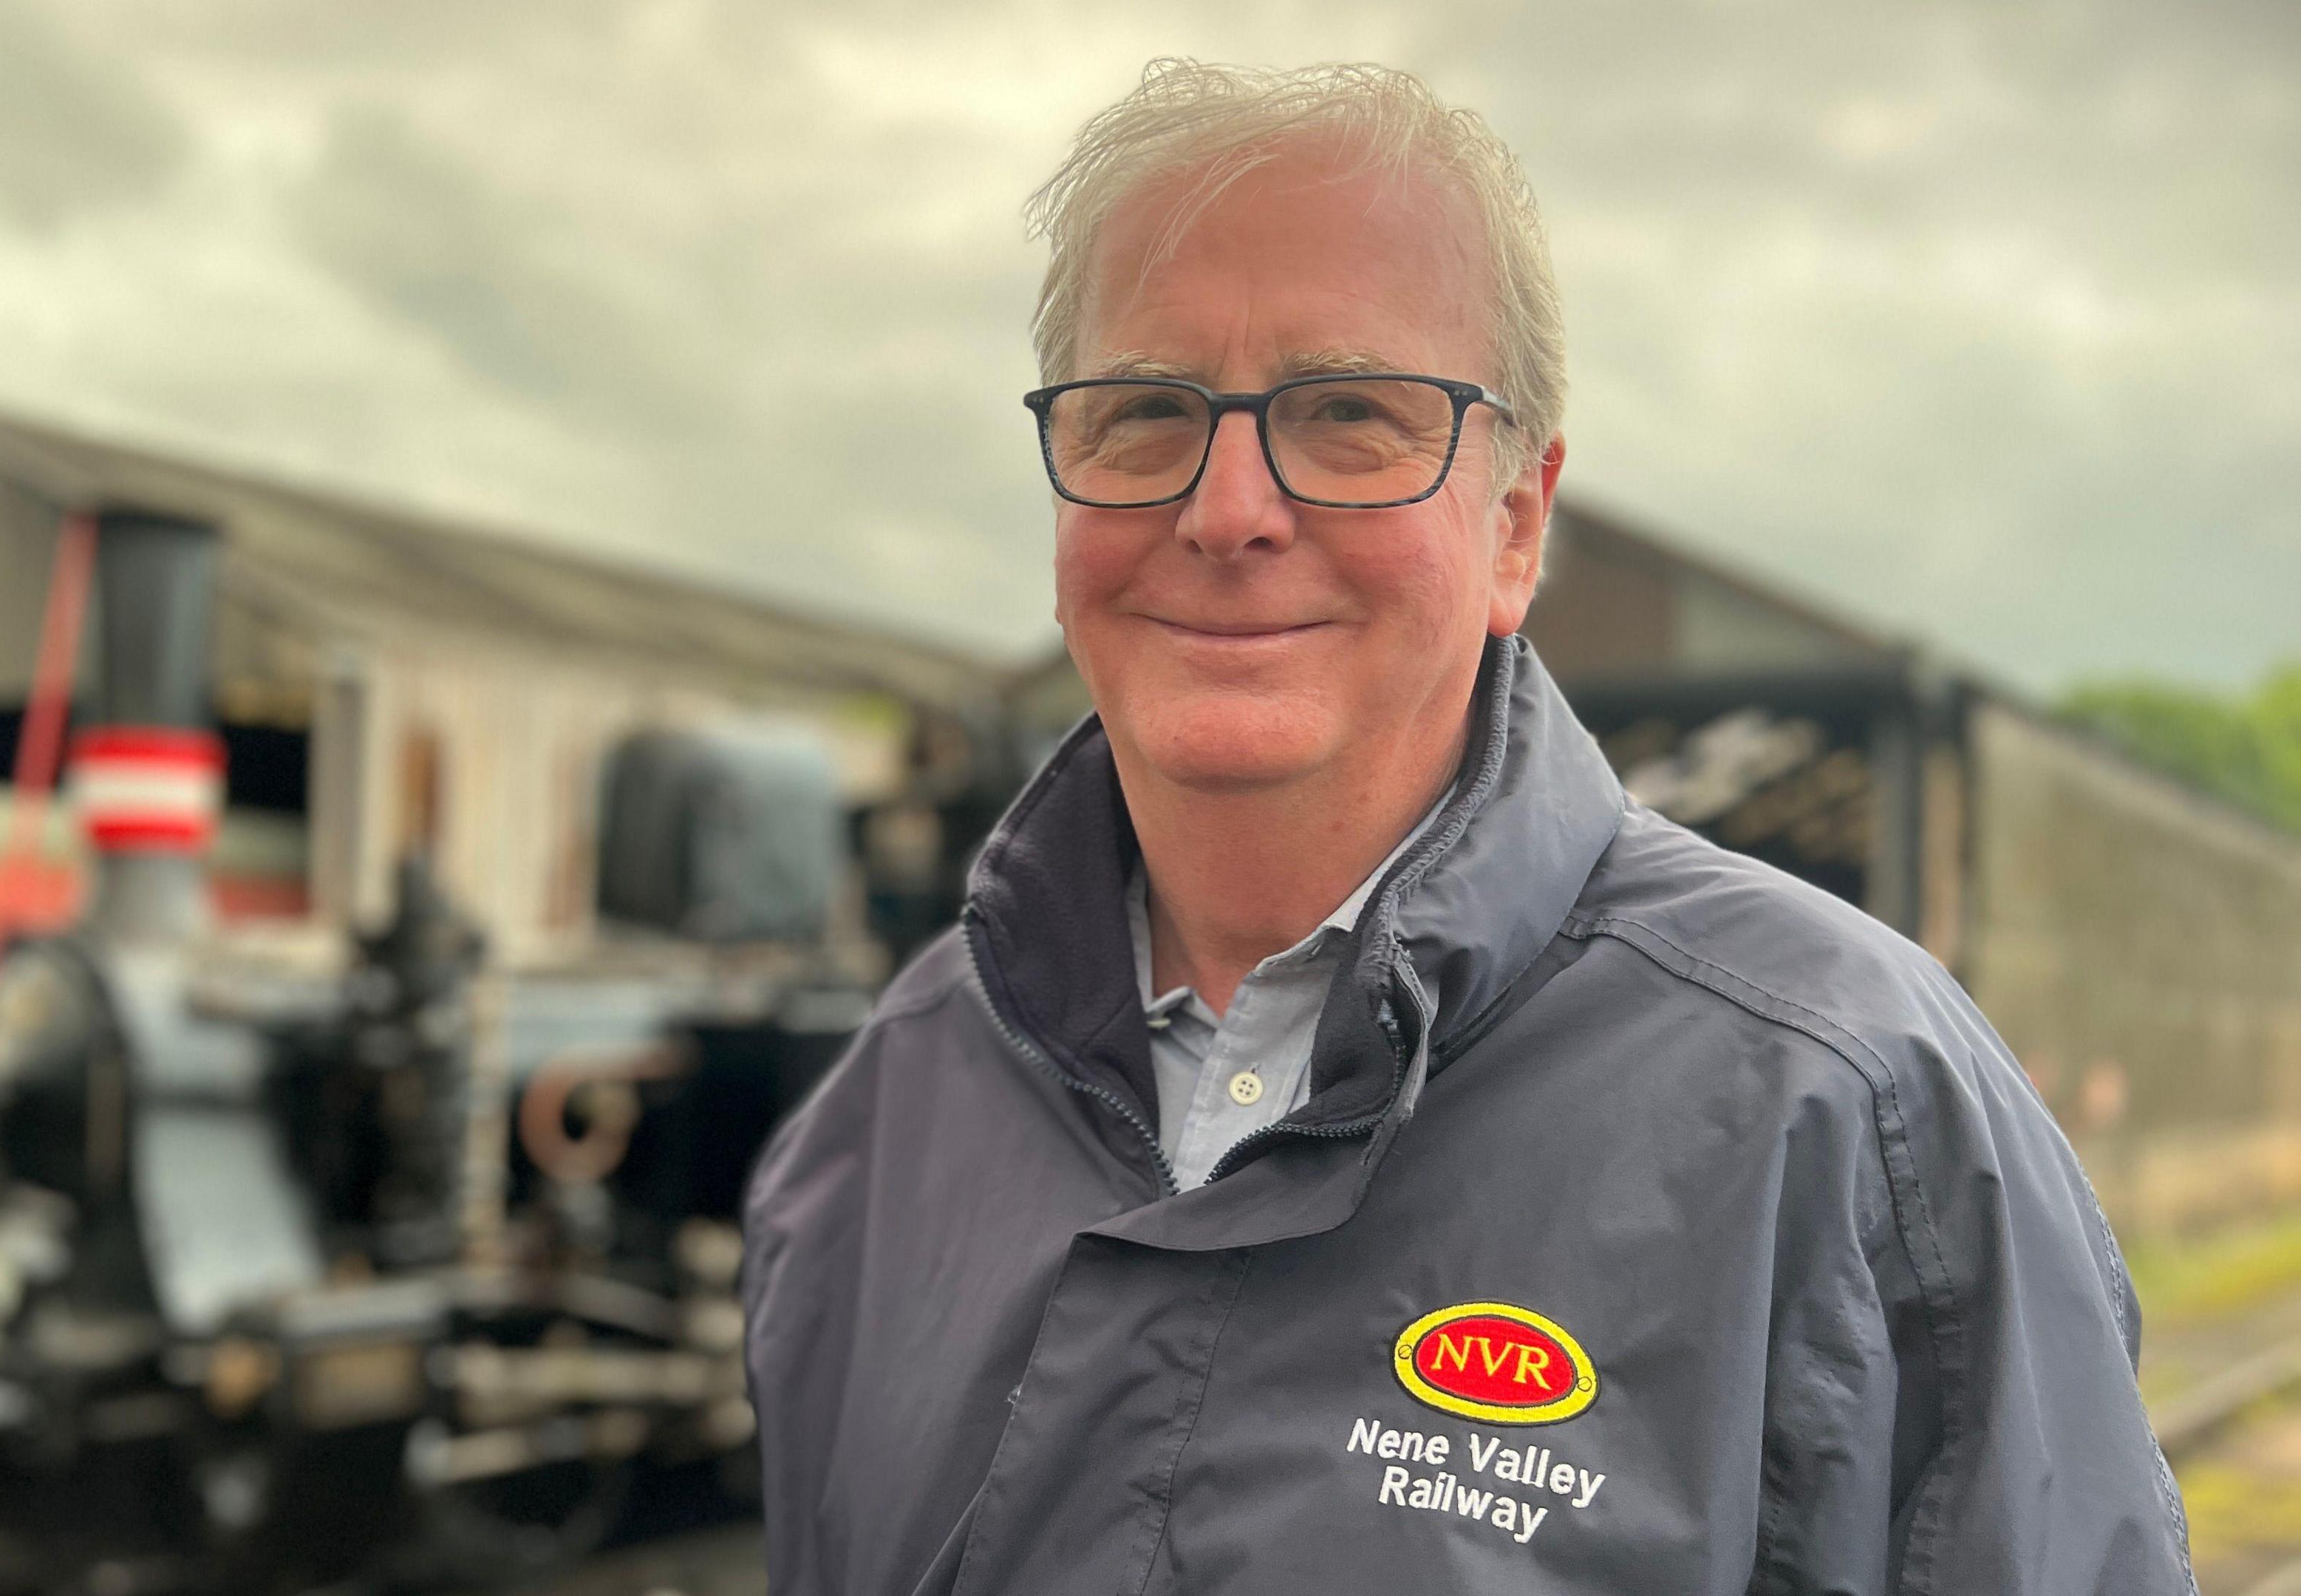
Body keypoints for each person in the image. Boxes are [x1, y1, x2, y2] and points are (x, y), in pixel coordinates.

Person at [740, 58, 2195, 1595]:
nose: (1227, 507)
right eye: (1142, 413)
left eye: (1350, 412)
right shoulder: (884, 1119)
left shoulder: (1846, 1118)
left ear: (1517, 524)